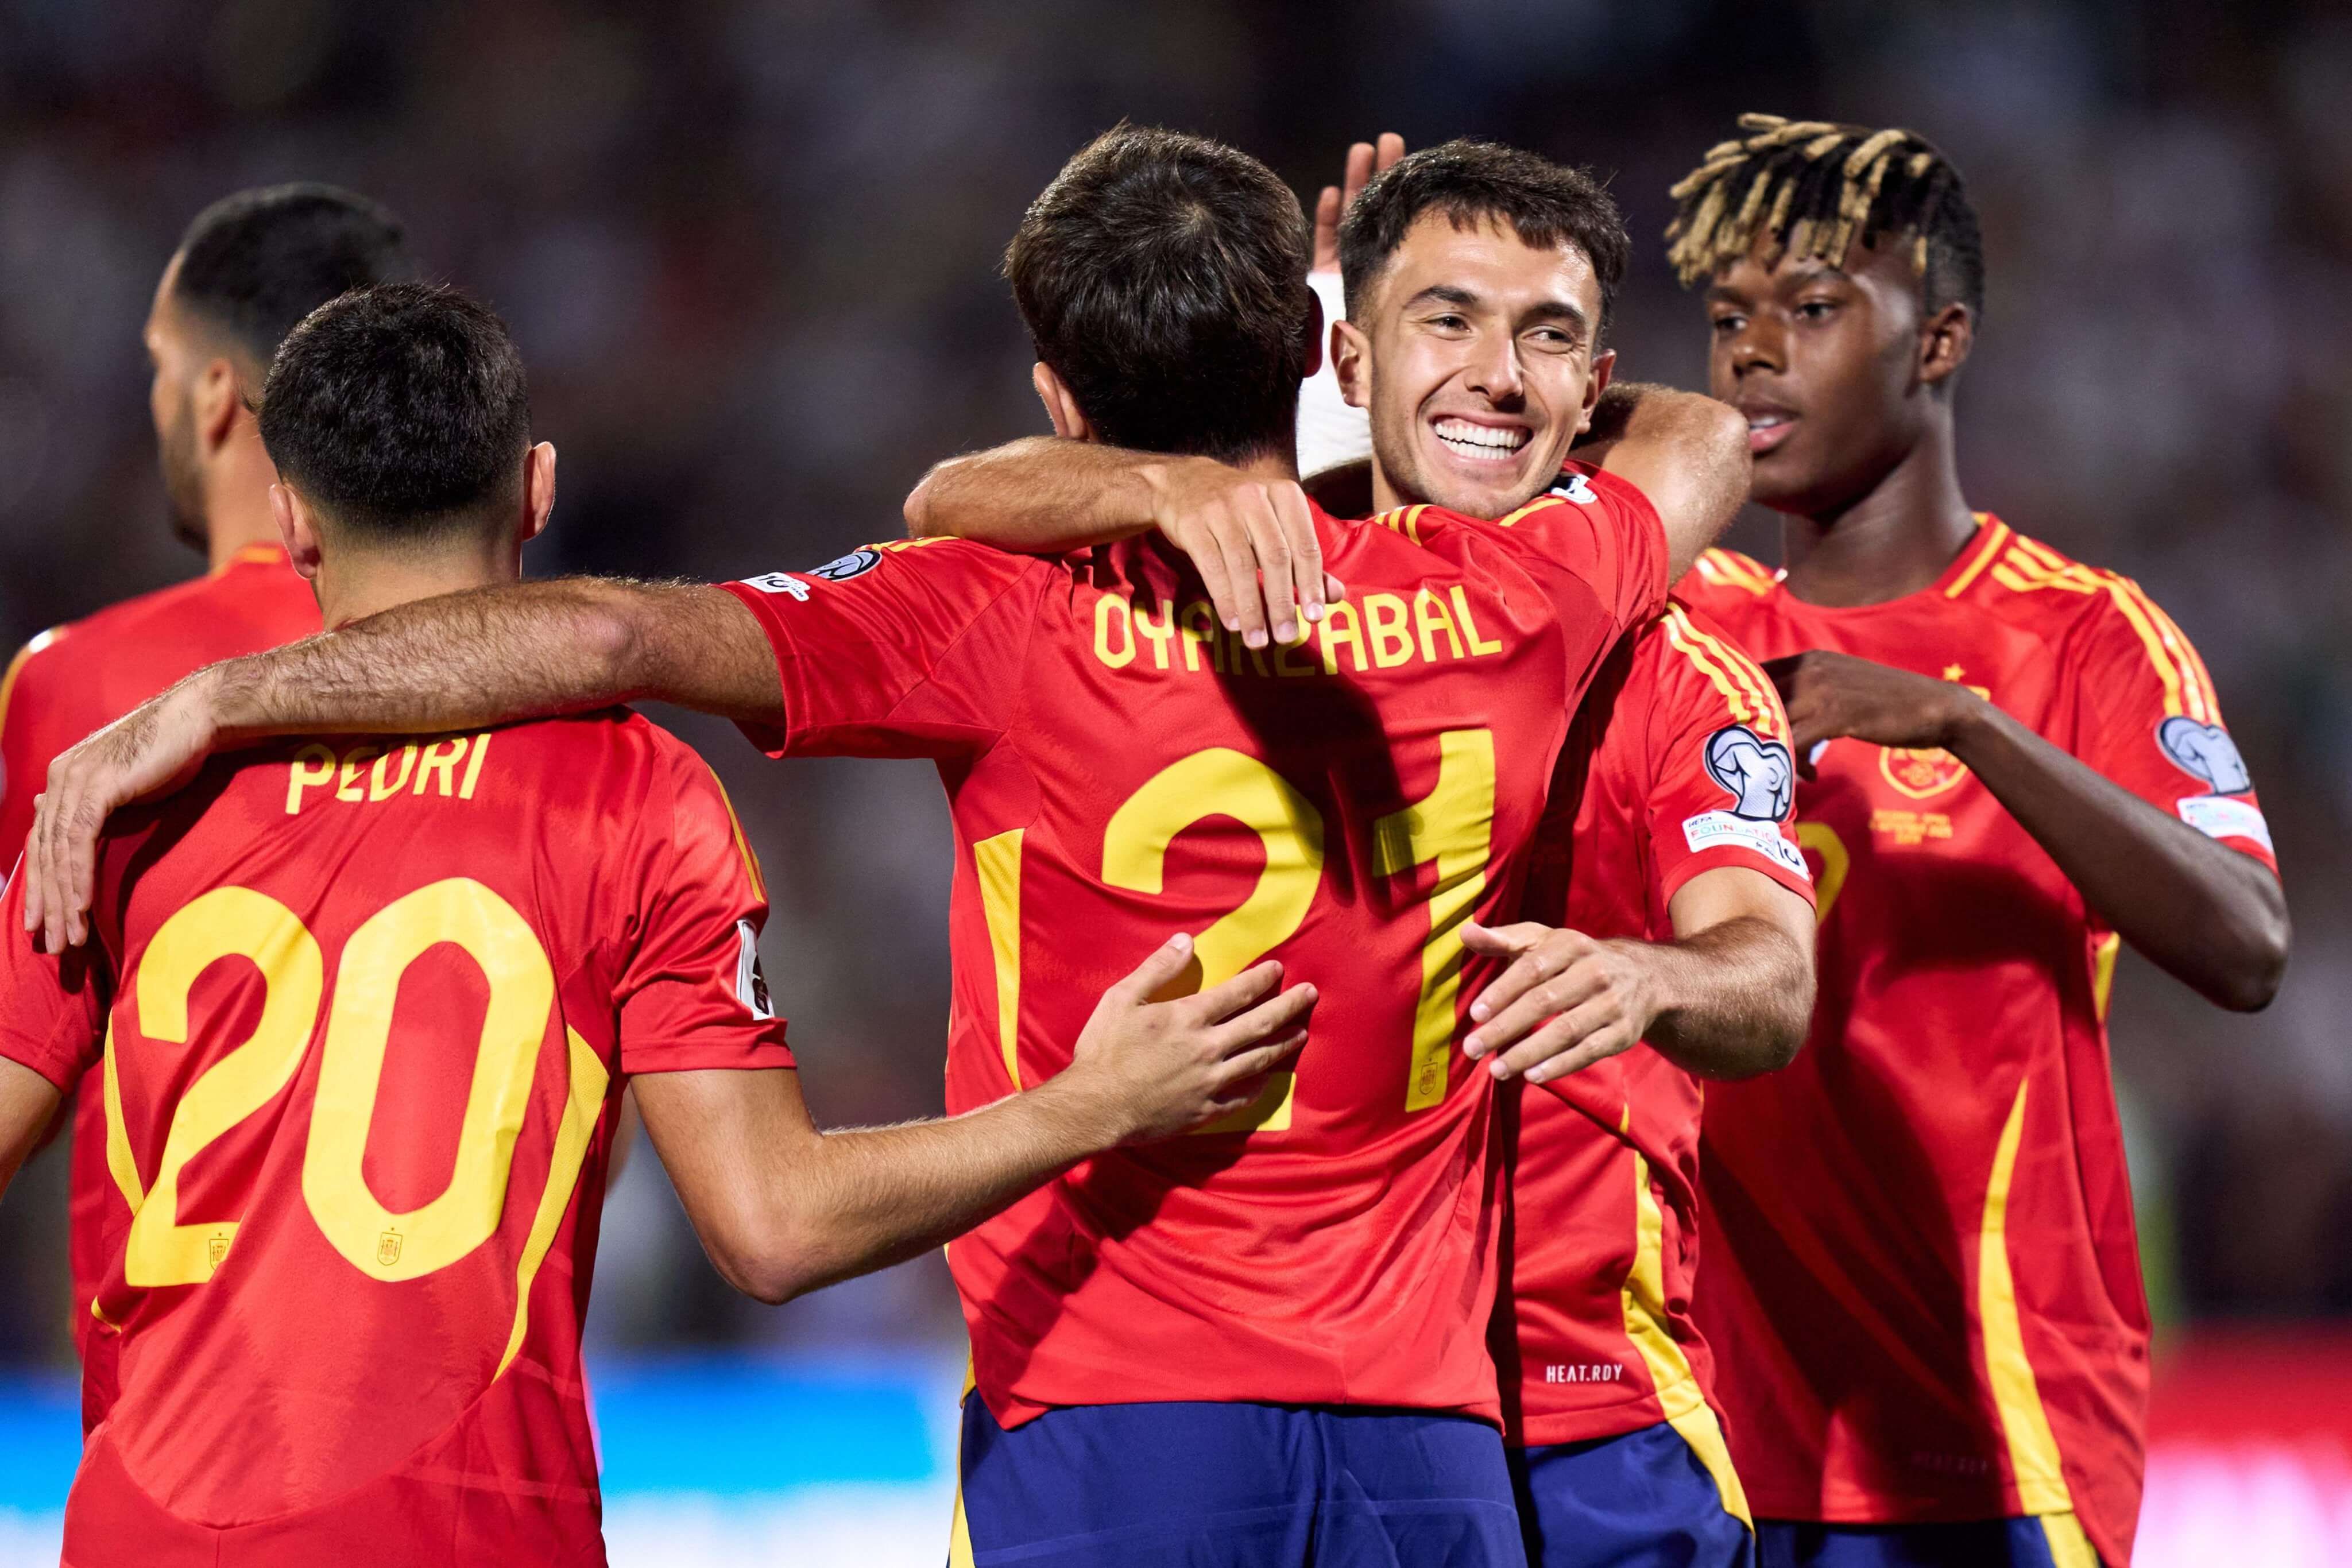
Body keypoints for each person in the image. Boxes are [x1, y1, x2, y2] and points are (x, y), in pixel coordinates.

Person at [24, 127, 1750, 1566]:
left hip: (1107, 1412)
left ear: (1054, 392)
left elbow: (619, 636)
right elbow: (1691, 435)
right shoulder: (1523, 596)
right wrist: (1446, 377)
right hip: (1426, 1439)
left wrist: (230, 695)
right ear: (1325, 356)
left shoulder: (989, 610)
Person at [0, 281, 1317, 1567]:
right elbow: (774, 1227)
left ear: (289, 516)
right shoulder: (629, 791)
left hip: (138, 1529)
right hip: (471, 1528)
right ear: (538, 489)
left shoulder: (123, 799)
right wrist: (1087, 1105)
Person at [923, 137, 1818, 1568]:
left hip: (1596, 1415)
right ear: (1336, 362)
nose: (1495, 374)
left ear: (1593, 389)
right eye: (1443, 323)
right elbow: (961, 497)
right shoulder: (1259, 606)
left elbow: (1772, 984)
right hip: (1325, 1406)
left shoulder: (1678, 670)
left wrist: (1649, 981)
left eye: (1546, 341)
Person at [1662, 117, 2289, 1568]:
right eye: (1723, 321)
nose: (1751, 354)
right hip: (1712, 1419)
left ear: (1935, 340)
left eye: (1811, 310)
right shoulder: (1680, 628)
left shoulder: (2080, 634)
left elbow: (2246, 944)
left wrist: (1965, 727)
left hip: (1994, 1419)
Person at [0, 182, 408, 1430]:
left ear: (220, 395)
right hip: (465, 1450)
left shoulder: (83, 683)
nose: (156, 401)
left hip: (177, 1453)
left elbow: (27, 1061)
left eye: (161, 368)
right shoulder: (520, 671)